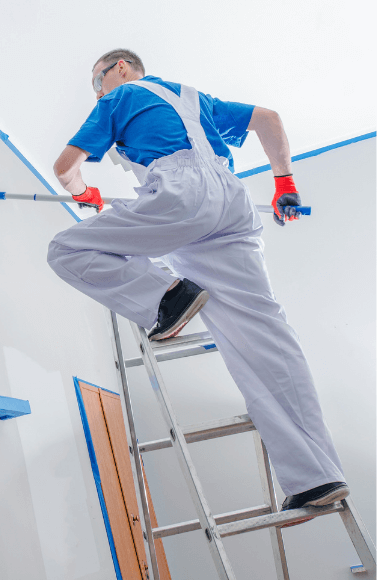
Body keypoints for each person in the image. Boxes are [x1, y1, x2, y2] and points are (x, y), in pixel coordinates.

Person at [46, 48, 348, 517]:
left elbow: (65, 166)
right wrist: (284, 182)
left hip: (182, 198)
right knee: (265, 339)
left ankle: (168, 297)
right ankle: (317, 475)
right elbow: (268, 119)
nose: (98, 90)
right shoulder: (194, 97)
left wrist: (82, 192)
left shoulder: (121, 95)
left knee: (67, 249)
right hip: (232, 203)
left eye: (97, 81)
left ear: (119, 68)